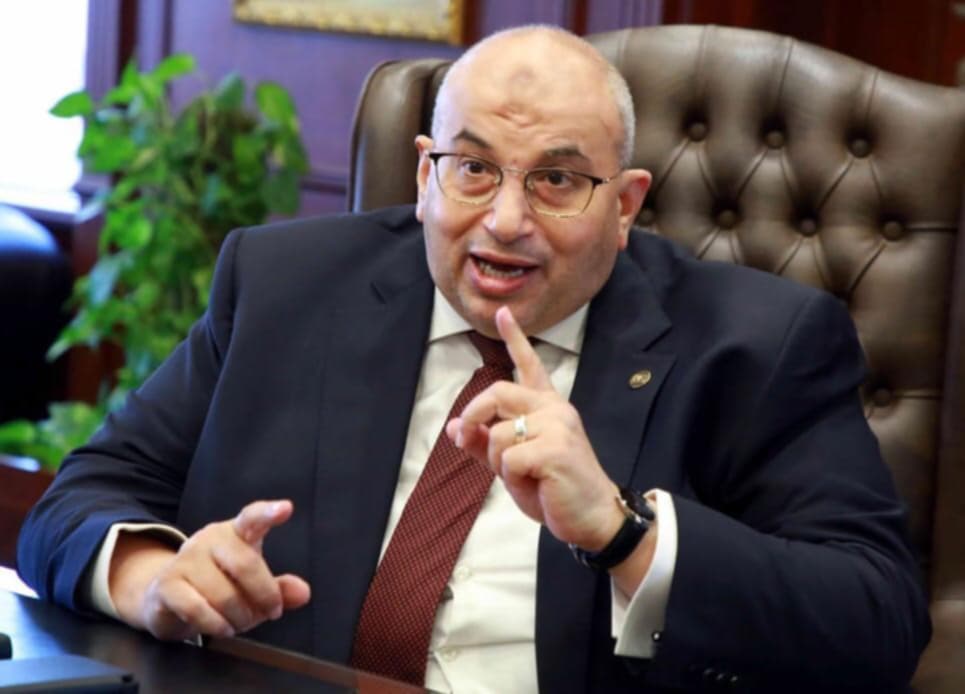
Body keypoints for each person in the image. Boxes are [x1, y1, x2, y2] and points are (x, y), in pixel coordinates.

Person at [18, 25, 929, 693]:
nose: (504, 220)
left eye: (557, 180)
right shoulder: (284, 286)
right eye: (473, 168)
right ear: (425, 176)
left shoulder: (757, 346)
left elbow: (876, 621)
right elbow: (81, 500)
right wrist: (155, 580)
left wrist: (622, 534)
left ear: (623, 205)